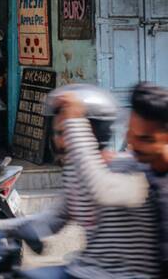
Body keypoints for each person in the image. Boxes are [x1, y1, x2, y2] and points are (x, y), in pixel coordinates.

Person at [0, 84, 159, 279]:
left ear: (91, 133)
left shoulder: (130, 169)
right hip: (85, 270)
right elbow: (54, 218)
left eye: (65, 132)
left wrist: (74, 122)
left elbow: (101, 188)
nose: (59, 140)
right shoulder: (76, 173)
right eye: (58, 133)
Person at [65, 82, 168, 276]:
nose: (133, 144)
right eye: (130, 134)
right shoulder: (145, 167)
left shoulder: (150, 180)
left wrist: (74, 121)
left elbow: (102, 188)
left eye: (145, 139)